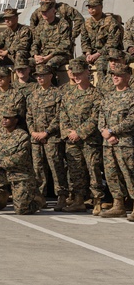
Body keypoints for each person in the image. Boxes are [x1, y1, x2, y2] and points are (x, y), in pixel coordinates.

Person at [58, 60, 104, 213]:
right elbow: (62, 115)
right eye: (74, 73)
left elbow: (96, 117)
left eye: (79, 73)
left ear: (87, 73)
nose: (76, 76)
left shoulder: (96, 94)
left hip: (90, 140)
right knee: (75, 171)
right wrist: (68, 133)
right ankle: (78, 200)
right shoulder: (69, 94)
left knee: (93, 170)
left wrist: (79, 132)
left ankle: (97, 200)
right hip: (72, 140)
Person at [27, 64, 67, 211]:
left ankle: (62, 196)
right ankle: (40, 197)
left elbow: (59, 116)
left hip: (52, 137)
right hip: (36, 138)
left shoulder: (58, 94)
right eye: (38, 76)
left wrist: (47, 132)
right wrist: (33, 132)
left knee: (56, 167)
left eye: (43, 75)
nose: (39, 78)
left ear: (50, 76)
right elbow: (29, 115)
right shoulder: (33, 95)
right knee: (38, 169)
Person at [97, 60, 134, 219]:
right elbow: (101, 117)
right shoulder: (109, 96)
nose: (115, 77)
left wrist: (113, 131)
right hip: (108, 143)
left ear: (127, 76)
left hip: (125, 143)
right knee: (111, 174)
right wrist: (105, 132)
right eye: (113, 75)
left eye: (119, 75)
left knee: (130, 174)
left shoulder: (132, 95)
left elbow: (132, 119)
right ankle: (118, 204)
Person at [82, 0, 123, 91]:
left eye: (93, 7)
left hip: (106, 53)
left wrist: (97, 54)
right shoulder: (87, 23)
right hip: (91, 54)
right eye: (89, 7)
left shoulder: (111, 22)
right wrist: (88, 53)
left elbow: (112, 42)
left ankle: (102, 90)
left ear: (100, 7)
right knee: (75, 63)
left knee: (101, 64)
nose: (90, 9)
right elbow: (84, 41)